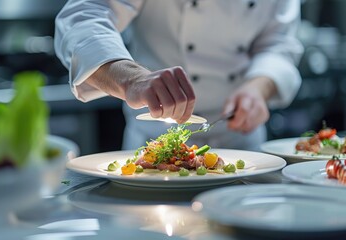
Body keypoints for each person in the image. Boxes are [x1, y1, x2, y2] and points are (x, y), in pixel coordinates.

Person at [54, 0, 303, 151]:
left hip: (242, 146)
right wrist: (132, 79)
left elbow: (279, 44)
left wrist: (257, 88)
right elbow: (84, 16)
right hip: (152, 144)